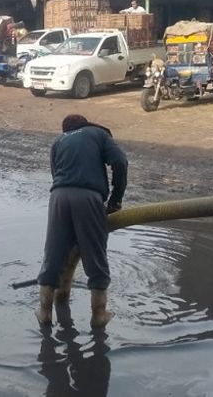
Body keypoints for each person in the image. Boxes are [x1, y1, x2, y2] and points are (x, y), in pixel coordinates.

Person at [36, 114, 128, 329]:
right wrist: (115, 200)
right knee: (95, 257)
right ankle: (99, 315)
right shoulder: (98, 134)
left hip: (58, 197)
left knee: (54, 253)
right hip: (88, 197)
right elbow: (120, 162)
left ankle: (44, 313)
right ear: (85, 124)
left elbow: (56, 175)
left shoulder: (58, 142)